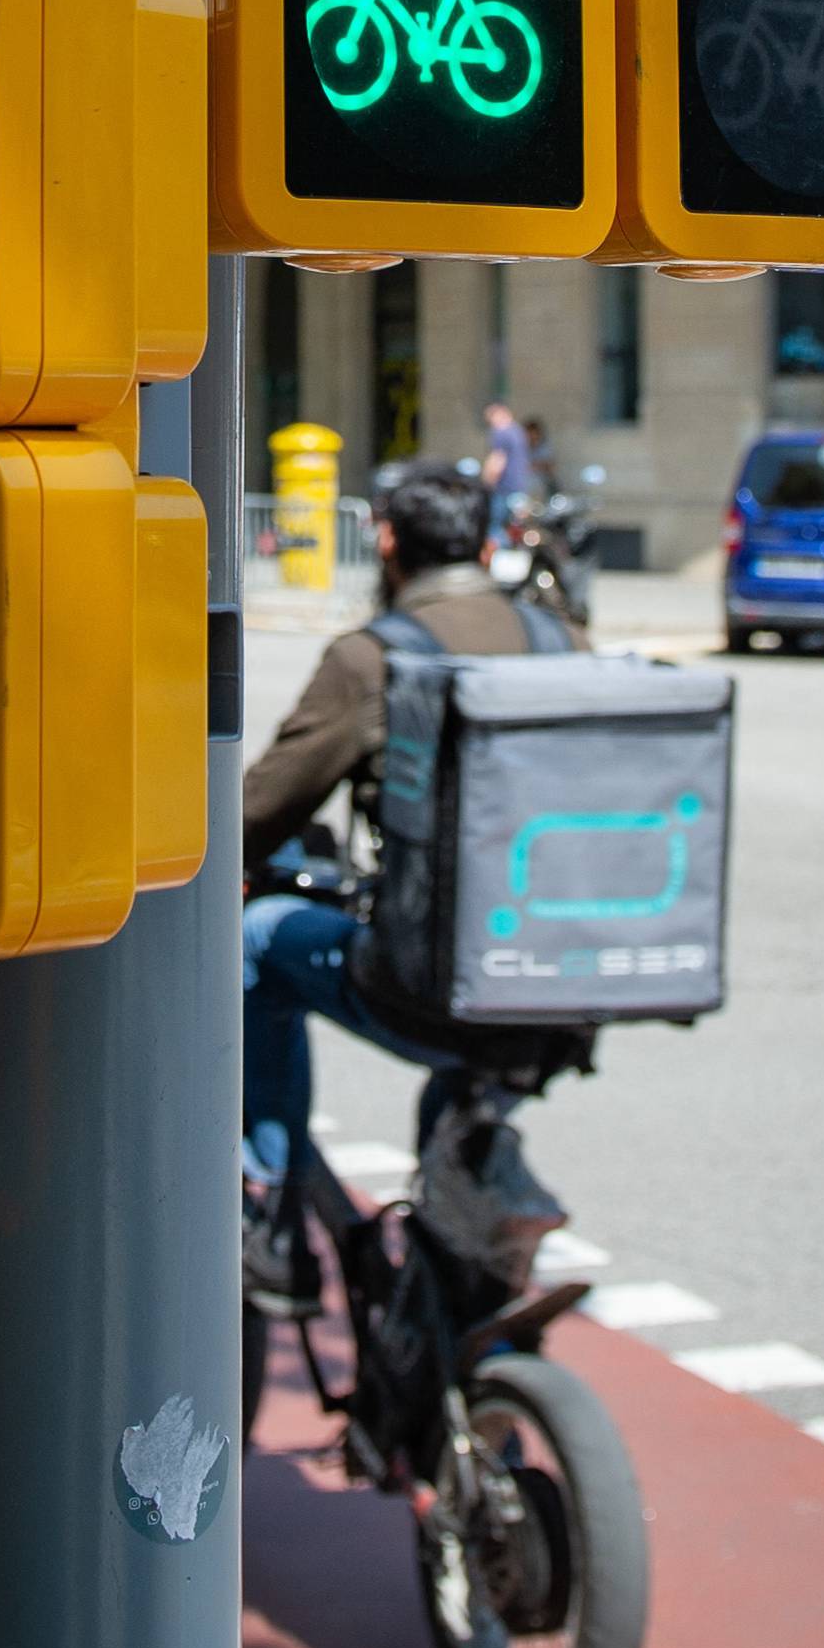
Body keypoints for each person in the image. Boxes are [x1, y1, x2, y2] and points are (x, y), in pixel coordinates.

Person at [241, 458, 584, 1315]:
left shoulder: (373, 660)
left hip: (431, 986)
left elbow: (258, 814)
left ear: (385, 541)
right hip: (567, 977)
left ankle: (269, 1209)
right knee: (468, 1075)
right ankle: (454, 1300)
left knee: (255, 940)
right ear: (483, 540)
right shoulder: (561, 638)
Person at [481, 399, 533, 534]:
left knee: (494, 527)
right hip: (519, 487)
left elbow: (497, 461)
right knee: (518, 527)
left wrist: (486, 484)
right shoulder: (517, 431)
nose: (490, 423)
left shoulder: (501, 432)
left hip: (503, 489)